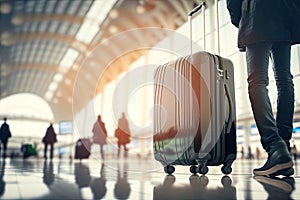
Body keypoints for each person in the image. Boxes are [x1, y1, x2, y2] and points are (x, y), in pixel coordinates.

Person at [227, 0, 300, 176]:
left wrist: (243, 18)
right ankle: (283, 146)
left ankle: (275, 147)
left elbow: (232, 3)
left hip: (256, 14)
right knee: (284, 80)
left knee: (257, 81)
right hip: (284, 16)